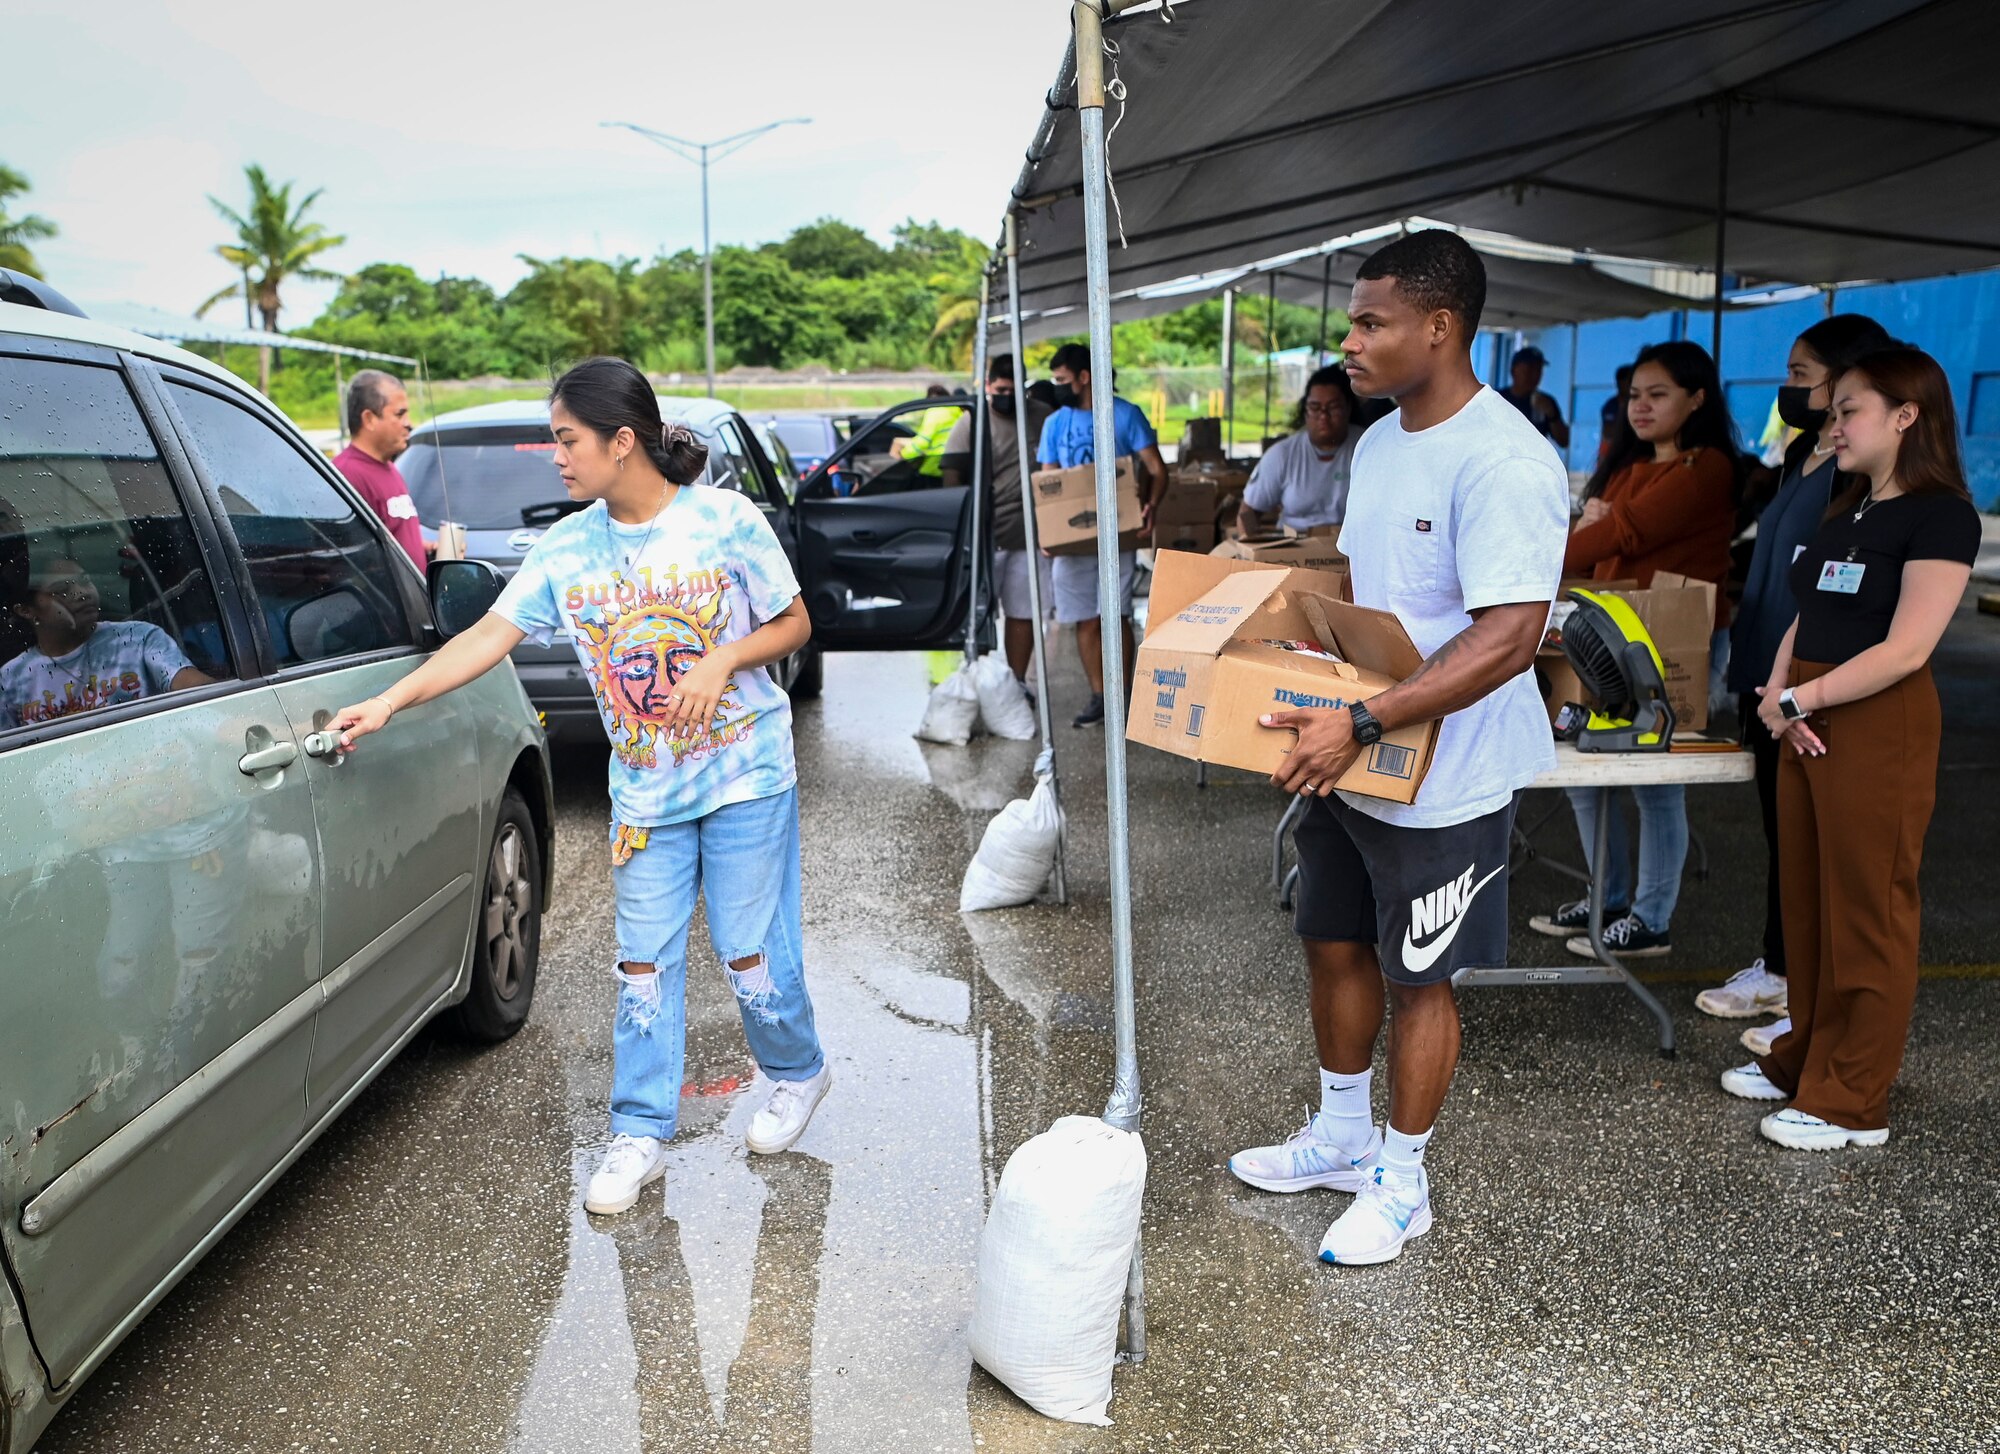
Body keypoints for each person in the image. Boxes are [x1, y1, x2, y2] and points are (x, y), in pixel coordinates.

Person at [330, 356, 829, 1215]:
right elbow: (487, 636)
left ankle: (797, 1072)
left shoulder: (724, 521)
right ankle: (639, 1132)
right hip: (647, 789)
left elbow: (795, 622)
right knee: (641, 964)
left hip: (746, 768)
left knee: (747, 946)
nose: (556, 458)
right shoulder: (568, 547)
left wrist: (724, 657)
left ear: (621, 441)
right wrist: (387, 701)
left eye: (567, 441)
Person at [1227, 230, 1568, 1265]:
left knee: (1421, 976)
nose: (1350, 342)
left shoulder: (1504, 458)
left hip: (1445, 777)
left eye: (1370, 322)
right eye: (1350, 320)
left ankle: (1401, 1179)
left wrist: (1365, 720)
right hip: (1352, 757)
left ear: (1439, 325)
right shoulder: (1377, 444)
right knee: (1330, 940)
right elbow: (1372, 599)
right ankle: (1338, 1134)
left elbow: (1509, 636)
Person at [1718, 346, 1978, 1150]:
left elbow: (1906, 648)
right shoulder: (1850, 506)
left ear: (1908, 416)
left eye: (1849, 410)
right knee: (1810, 903)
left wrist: (1804, 696)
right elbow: (1808, 612)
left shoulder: (1942, 515)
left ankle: (1854, 1098)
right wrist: (1774, 689)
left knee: (1868, 909)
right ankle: (1807, 1058)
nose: (1834, 425)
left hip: (1874, 719)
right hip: (1808, 714)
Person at [1697, 316, 1895, 1052]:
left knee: (1817, 843)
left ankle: (1802, 985)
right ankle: (1783, 969)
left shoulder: (1861, 474)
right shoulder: (1802, 455)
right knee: (1784, 834)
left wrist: (1802, 689)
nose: (1792, 389)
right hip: (1766, 670)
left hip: (1816, 683)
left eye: (1804, 375)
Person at [1527, 341, 1739, 959]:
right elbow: (1606, 530)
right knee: (1587, 772)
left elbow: (1622, 531)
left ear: (1697, 399)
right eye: (1634, 396)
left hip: (1670, 641)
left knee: (1655, 781)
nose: (1640, 407)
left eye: (1659, 395)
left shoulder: (1706, 469)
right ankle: (1607, 899)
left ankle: (1651, 919)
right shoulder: (1629, 466)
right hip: (1607, 636)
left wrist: (1540, 560)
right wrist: (1598, 520)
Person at [1036, 342, 1168, 728]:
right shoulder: (1055, 423)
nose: (1057, 387)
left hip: (1118, 534)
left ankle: (1123, 697)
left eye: (1061, 380)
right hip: (1074, 542)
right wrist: (1050, 531)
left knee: (1116, 615)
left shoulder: (1125, 415)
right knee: (1084, 619)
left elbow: (1157, 469)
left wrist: (1151, 506)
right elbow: (1049, 483)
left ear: (1084, 377)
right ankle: (1100, 695)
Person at [942, 353, 1054, 691]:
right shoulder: (972, 422)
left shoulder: (1041, 417)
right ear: (988, 385)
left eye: (1013, 389)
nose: (1006, 396)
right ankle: (980, 684)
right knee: (978, 616)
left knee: (1024, 614)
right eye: (1000, 389)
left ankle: (1016, 683)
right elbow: (951, 474)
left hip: (1030, 537)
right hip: (987, 536)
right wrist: (964, 522)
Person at [1, 559, 214, 728]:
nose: (82, 593)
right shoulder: (11, 679)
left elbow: (195, 688)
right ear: (25, 610)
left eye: (85, 581)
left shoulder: (138, 639)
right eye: (62, 590)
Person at [1237, 365, 1363, 536]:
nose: (1323, 416)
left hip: (1350, 551)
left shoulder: (1367, 446)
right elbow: (1247, 512)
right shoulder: (1282, 455)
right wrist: (1252, 551)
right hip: (1294, 551)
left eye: (1333, 407)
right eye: (1315, 407)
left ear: (1348, 408)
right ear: (1305, 412)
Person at [333, 370, 428, 567]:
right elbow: (355, 561)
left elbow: (391, 538)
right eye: (400, 414)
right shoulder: (348, 475)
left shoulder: (390, 467)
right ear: (369, 419)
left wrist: (423, 549)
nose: (408, 424)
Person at [1498, 345, 1571, 449]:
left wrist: (1552, 416)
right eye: (1529, 369)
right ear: (1514, 370)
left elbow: (1564, 441)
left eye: (1538, 370)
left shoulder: (1546, 402)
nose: (1534, 375)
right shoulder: (1498, 398)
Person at [891, 385, 958, 479]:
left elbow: (923, 442)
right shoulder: (957, 411)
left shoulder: (934, 412)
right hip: (953, 468)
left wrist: (903, 454)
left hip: (934, 467)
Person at [1596, 364, 1634, 468]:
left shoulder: (1637, 404)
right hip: (1610, 453)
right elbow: (1608, 432)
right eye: (1623, 382)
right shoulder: (1611, 405)